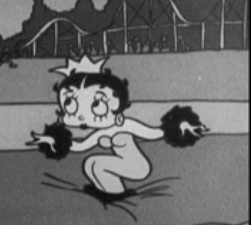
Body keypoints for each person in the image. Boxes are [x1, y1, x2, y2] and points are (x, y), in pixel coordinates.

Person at [27, 55, 208, 198]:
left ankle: (117, 194)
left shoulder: (126, 125)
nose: (81, 116)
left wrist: (183, 125)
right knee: (90, 163)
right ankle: (108, 192)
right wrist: (52, 140)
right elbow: (80, 146)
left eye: (96, 104)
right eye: (70, 105)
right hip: (123, 164)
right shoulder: (100, 133)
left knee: (98, 164)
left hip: (137, 166)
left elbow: (155, 133)